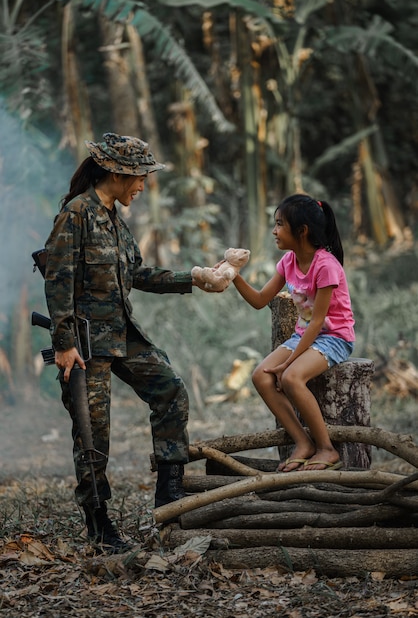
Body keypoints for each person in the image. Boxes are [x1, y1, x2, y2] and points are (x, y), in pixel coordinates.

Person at [44, 132, 214, 553]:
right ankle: (99, 523)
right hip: (85, 346)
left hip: (122, 335)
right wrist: (64, 343)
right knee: (92, 433)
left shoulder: (115, 221)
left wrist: (191, 277)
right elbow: (58, 280)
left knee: (170, 389)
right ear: (117, 173)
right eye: (139, 177)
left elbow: (138, 275)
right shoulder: (77, 214)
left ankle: (169, 496)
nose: (142, 186)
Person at [232, 193, 355, 473]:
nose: (274, 231)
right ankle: (303, 443)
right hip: (305, 337)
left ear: (302, 231)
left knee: (291, 378)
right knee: (261, 376)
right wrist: (234, 276)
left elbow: (318, 321)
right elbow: (261, 300)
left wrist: (288, 363)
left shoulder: (326, 266)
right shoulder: (288, 261)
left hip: (335, 337)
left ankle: (327, 448)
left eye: (279, 224)